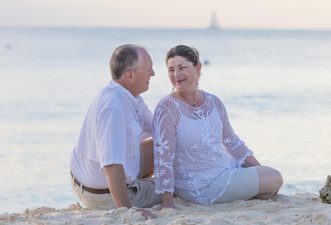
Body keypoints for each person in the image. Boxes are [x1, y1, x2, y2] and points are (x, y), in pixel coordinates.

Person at [153, 45, 283, 209]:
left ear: (198, 68)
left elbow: (233, 143)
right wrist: (168, 204)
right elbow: (163, 158)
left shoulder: (214, 102)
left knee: (270, 178)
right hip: (201, 187)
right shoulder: (167, 108)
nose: (176, 75)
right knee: (275, 177)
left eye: (181, 68)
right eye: (171, 70)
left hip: (227, 172)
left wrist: (259, 169)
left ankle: (256, 187)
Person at [70, 44, 161, 213]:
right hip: (103, 195)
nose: (153, 73)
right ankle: (132, 197)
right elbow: (112, 166)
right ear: (130, 74)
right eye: (149, 69)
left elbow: (160, 130)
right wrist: (127, 211)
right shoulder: (114, 107)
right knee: (177, 187)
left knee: (163, 144)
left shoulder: (129, 96)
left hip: (96, 180)